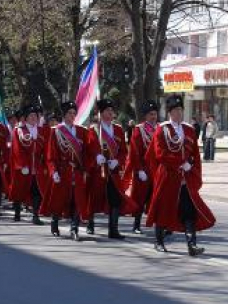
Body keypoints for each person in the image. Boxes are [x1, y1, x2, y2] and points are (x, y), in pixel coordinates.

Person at [146, 95, 215, 256]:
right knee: (163, 208)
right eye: (176, 110)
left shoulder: (189, 130)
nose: (179, 113)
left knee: (189, 210)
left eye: (181, 110)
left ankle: (192, 245)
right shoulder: (162, 130)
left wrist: (193, 169)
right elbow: (160, 153)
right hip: (168, 176)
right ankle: (159, 241)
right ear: (170, 112)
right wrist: (179, 163)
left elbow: (195, 155)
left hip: (185, 178)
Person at [40, 100, 92, 240]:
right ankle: (55, 222)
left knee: (77, 200)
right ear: (64, 115)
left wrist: (86, 169)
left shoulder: (81, 131)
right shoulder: (56, 131)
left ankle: (74, 228)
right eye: (69, 113)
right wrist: (54, 171)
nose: (72, 116)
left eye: (74, 113)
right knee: (59, 200)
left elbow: (86, 153)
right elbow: (51, 155)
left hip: (77, 171)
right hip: (62, 171)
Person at [86, 98, 137, 239]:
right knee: (94, 198)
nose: (110, 113)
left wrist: (117, 161)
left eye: (111, 110)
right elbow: (90, 148)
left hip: (113, 171)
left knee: (115, 199)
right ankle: (90, 224)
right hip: (98, 171)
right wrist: (97, 157)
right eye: (107, 110)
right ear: (101, 113)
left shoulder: (118, 129)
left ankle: (113, 229)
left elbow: (123, 151)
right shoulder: (94, 129)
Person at [123, 100, 158, 234]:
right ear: (145, 116)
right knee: (140, 198)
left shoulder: (160, 128)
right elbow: (135, 152)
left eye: (154, 114)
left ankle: (159, 224)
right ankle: (136, 224)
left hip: (156, 171)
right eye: (150, 114)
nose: (153, 117)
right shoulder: (139, 130)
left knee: (156, 197)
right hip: (143, 169)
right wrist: (139, 170)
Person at [9, 104, 47, 225]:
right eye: (30, 116)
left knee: (36, 190)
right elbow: (16, 149)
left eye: (35, 116)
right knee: (20, 189)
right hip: (24, 166)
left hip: (37, 166)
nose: (33, 118)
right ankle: (17, 212)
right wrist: (22, 165)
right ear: (25, 118)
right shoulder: (19, 130)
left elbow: (46, 149)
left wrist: (45, 164)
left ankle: (35, 215)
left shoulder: (42, 131)